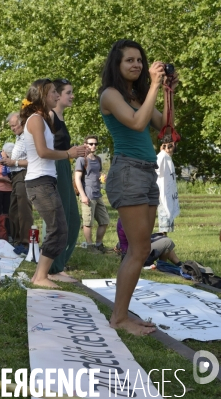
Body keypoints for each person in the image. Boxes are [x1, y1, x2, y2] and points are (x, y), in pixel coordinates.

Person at [99, 39, 178, 335]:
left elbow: (165, 126)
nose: (136, 65)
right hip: (127, 172)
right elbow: (135, 123)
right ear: (117, 66)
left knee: (141, 248)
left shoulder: (137, 95)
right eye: (129, 60)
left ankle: (122, 315)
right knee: (137, 250)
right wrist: (155, 87)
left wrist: (168, 91)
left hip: (146, 171)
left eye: (140, 61)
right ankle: (119, 319)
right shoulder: (110, 95)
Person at [20, 79, 87, 288]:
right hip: (39, 182)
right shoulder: (37, 120)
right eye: (53, 93)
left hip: (46, 180)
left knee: (61, 227)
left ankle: (44, 274)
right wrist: (69, 153)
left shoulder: (42, 119)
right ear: (42, 95)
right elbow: (41, 152)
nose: (57, 96)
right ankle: (41, 276)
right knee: (57, 228)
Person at [48, 78, 82, 280]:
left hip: (64, 166)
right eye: (69, 92)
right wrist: (69, 153)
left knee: (73, 220)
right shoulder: (49, 116)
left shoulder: (60, 116)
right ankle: (53, 268)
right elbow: (45, 149)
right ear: (57, 95)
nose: (72, 96)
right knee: (60, 219)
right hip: (55, 167)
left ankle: (58, 264)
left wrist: (75, 152)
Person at [0, 112, 32, 248]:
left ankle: (26, 242)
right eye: (11, 126)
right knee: (14, 210)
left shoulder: (28, 138)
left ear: (22, 123)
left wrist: (14, 162)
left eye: (14, 125)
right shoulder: (19, 139)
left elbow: (33, 160)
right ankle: (17, 238)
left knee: (23, 209)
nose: (12, 128)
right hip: (15, 176)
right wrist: (7, 161)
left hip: (23, 174)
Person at [75, 135, 109, 253]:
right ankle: (90, 246)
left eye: (95, 144)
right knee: (88, 223)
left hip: (98, 194)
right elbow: (77, 178)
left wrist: (102, 176)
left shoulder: (98, 159)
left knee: (104, 221)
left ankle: (98, 244)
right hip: (87, 195)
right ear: (85, 145)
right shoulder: (81, 159)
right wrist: (83, 195)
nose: (93, 146)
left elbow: (97, 174)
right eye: (91, 144)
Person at [116, 219, 183, 267]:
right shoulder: (136, 217)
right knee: (167, 242)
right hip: (137, 254)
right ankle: (166, 265)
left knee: (161, 237)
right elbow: (142, 239)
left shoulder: (124, 215)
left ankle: (178, 264)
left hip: (127, 251)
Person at [156, 137, 180, 234]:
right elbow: (156, 169)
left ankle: (165, 243)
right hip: (163, 194)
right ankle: (163, 244)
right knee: (164, 225)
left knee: (167, 222)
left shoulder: (168, 157)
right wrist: (163, 152)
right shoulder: (162, 157)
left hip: (169, 194)